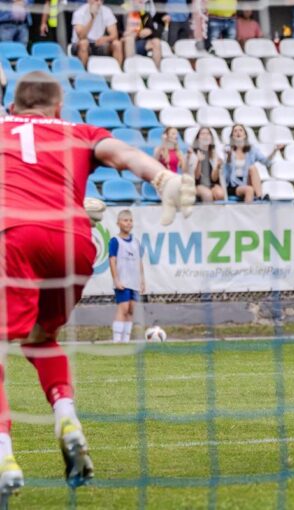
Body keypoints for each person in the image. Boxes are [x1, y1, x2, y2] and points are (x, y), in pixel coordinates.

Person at [0, 71, 194, 499]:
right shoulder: (79, 131)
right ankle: (67, 418)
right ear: (59, 108)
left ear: (13, 108)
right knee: (42, 337)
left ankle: (3, 455)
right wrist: (163, 178)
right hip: (74, 240)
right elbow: (124, 155)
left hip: (14, 236)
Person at [109, 210, 144, 343]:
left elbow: (139, 262)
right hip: (122, 281)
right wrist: (116, 279)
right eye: (125, 220)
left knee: (131, 309)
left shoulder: (136, 242)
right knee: (123, 308)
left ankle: (126, 339)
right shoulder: (115, 241)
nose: (128, 223)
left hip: (134, 282)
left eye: (130, 220)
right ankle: (117, 339)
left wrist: (142, 280)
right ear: (118, 223)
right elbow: (112, 260)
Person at [222, 124, 279, 202]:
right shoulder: (228, 149)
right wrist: (229, 155)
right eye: (235, 131)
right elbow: (226, 167)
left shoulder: (252, 150)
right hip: (232, 184)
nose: (238, 132)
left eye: (240, 130)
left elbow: (266, 162)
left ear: (245, 135)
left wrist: (275, 151)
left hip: (245, 181)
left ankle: (259, 197)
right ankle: (254, 205)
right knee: (249, 190)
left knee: (253, 168)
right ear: (232, 136)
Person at [71, 0, 123, 67]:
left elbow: (115, 35)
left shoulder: (106, 11)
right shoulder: (79, 12)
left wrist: (105, 39)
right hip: (80, 45)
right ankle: (84, 72)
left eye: (100, 0)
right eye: (96, 0)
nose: (98, 2)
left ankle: (117, 70)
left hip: (98, 44)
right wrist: (93, 17)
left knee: (117, 44)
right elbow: (81, 36)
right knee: (83, 43)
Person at [187, 127, 225, 202]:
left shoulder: (214, 153)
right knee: (207, 194)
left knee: (220, 194)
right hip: (196, 185)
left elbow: (214, 178)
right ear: (198, 138)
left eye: (208, 134)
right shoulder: (192, 153)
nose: (205, 136)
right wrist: (199, 161)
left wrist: (217, 166)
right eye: (202, 134)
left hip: (211, 184)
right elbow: (196, 177)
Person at [122, 0, 163, 68]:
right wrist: (125, 34)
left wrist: (150, 31)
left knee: (156, 42)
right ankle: (130, 68)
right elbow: (116, 31)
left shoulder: (143, 13)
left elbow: (155, 31)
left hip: (139, 42)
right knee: (129, 39)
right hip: (125, 42)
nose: (141, 1)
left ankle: (156, 70)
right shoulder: (122, 11)